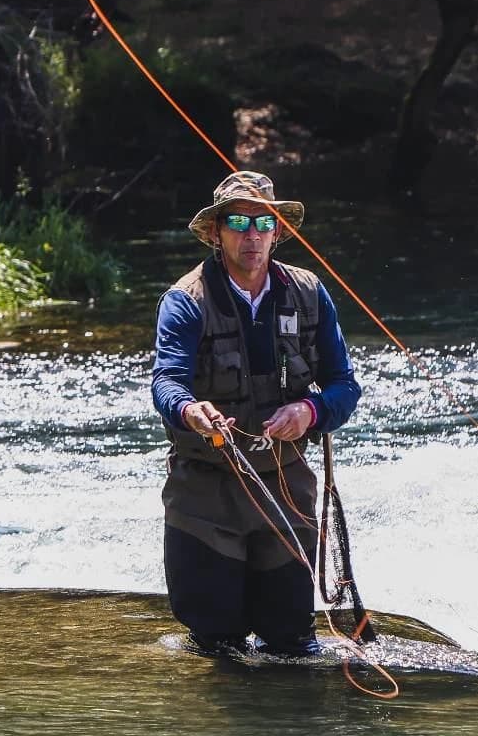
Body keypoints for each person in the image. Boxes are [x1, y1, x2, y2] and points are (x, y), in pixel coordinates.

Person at [151, 171, 361, 655]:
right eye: (239, 222)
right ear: (216, 232)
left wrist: (310, 410)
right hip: (204, 494)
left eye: (262, 223)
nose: (251, 234)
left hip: (284, 490)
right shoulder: (186, 301)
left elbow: (344, 386)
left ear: (278, 231)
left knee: (290, 639)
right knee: (216, 641)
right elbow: (165, 382)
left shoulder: (309, 294)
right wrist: (189, 410)